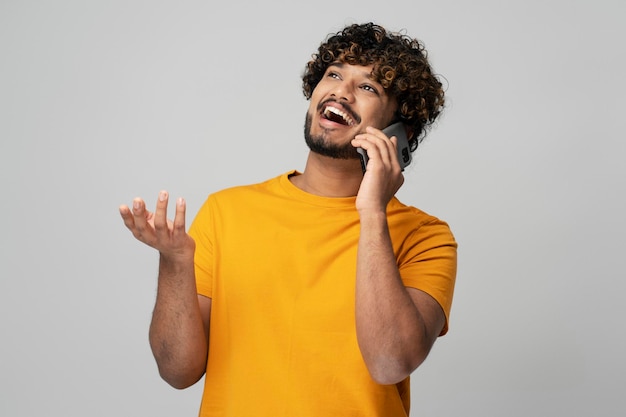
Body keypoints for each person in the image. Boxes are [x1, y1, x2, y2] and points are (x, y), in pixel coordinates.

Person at [119, 22, 457, 417]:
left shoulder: (426, 237)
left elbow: (389, 362)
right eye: (333, 75)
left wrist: (371, 212)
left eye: (367, 87)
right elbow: (177, 371)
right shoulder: (225, 212)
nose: (340, 92)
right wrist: (176, 264)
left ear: (399, 132)